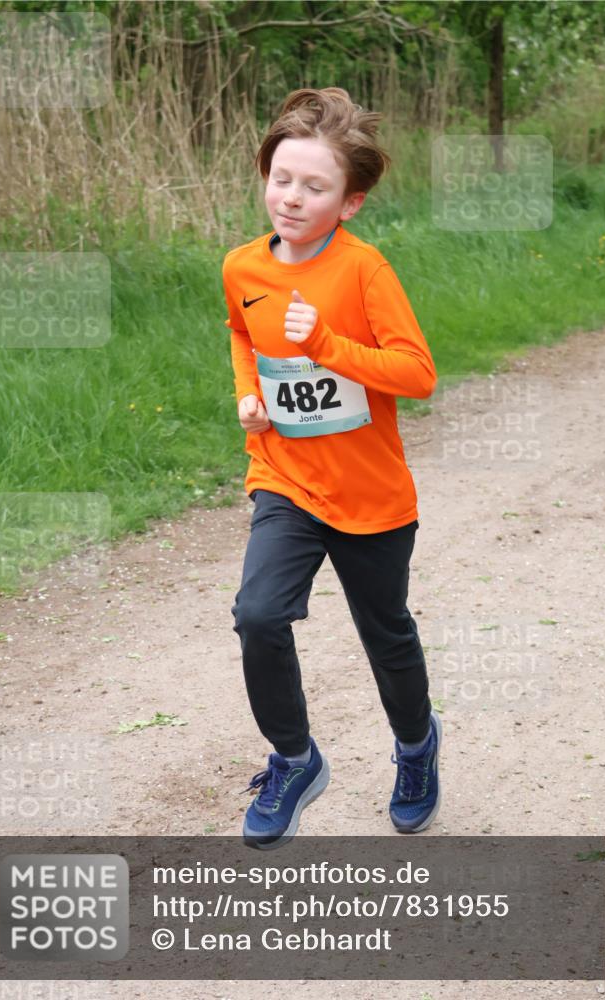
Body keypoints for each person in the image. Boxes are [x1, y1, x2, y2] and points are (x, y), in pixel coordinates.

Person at [221, 87, 440, 851]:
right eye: (281, 178)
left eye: (314, 187)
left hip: (369, 493)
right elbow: (241, 333)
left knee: (385, 635)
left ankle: (415, 748)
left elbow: (416, 374)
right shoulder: (242, 266)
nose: (291, 197)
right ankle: (293, 759)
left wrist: (325, 347)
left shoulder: (363, 271)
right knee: (257, 614)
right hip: (284, 477)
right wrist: (249, 395)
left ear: (349, 203)